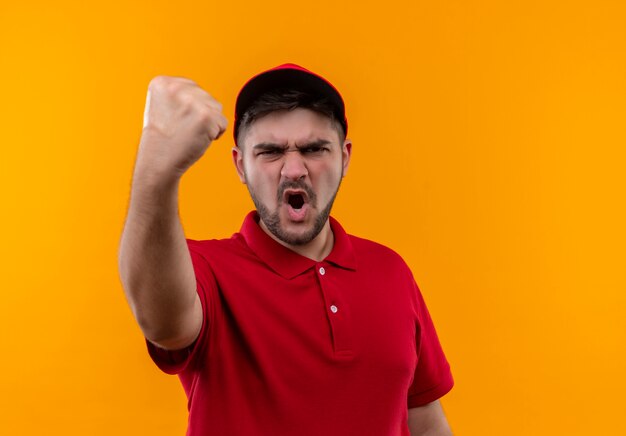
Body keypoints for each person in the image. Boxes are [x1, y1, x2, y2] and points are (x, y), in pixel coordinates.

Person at [118, 63, 454, 435]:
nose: (294, 169)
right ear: (240, 165)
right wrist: (157, 168)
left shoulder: (391, 271)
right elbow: (163, 325)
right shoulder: (203, 271)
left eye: (313, 148)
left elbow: (425, 422)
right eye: (270, 152)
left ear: (344, 158)